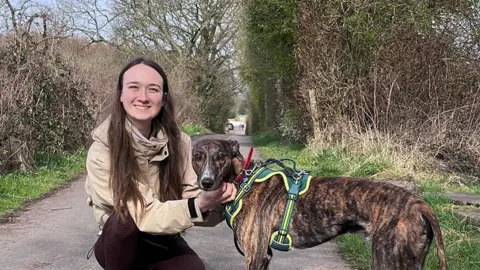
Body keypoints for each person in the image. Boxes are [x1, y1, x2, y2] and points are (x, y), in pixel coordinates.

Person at [84, 57, 237, 270]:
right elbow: (142, 215)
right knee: (123, 221)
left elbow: (192, 201)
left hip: (163, 239)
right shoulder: (102, 152)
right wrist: (198, 204)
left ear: (164, 98)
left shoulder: (181, 143)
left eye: (153, 89)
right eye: (134, 87)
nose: (143, 97)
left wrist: (220, 200)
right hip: (119, 244)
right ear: (121, 94)